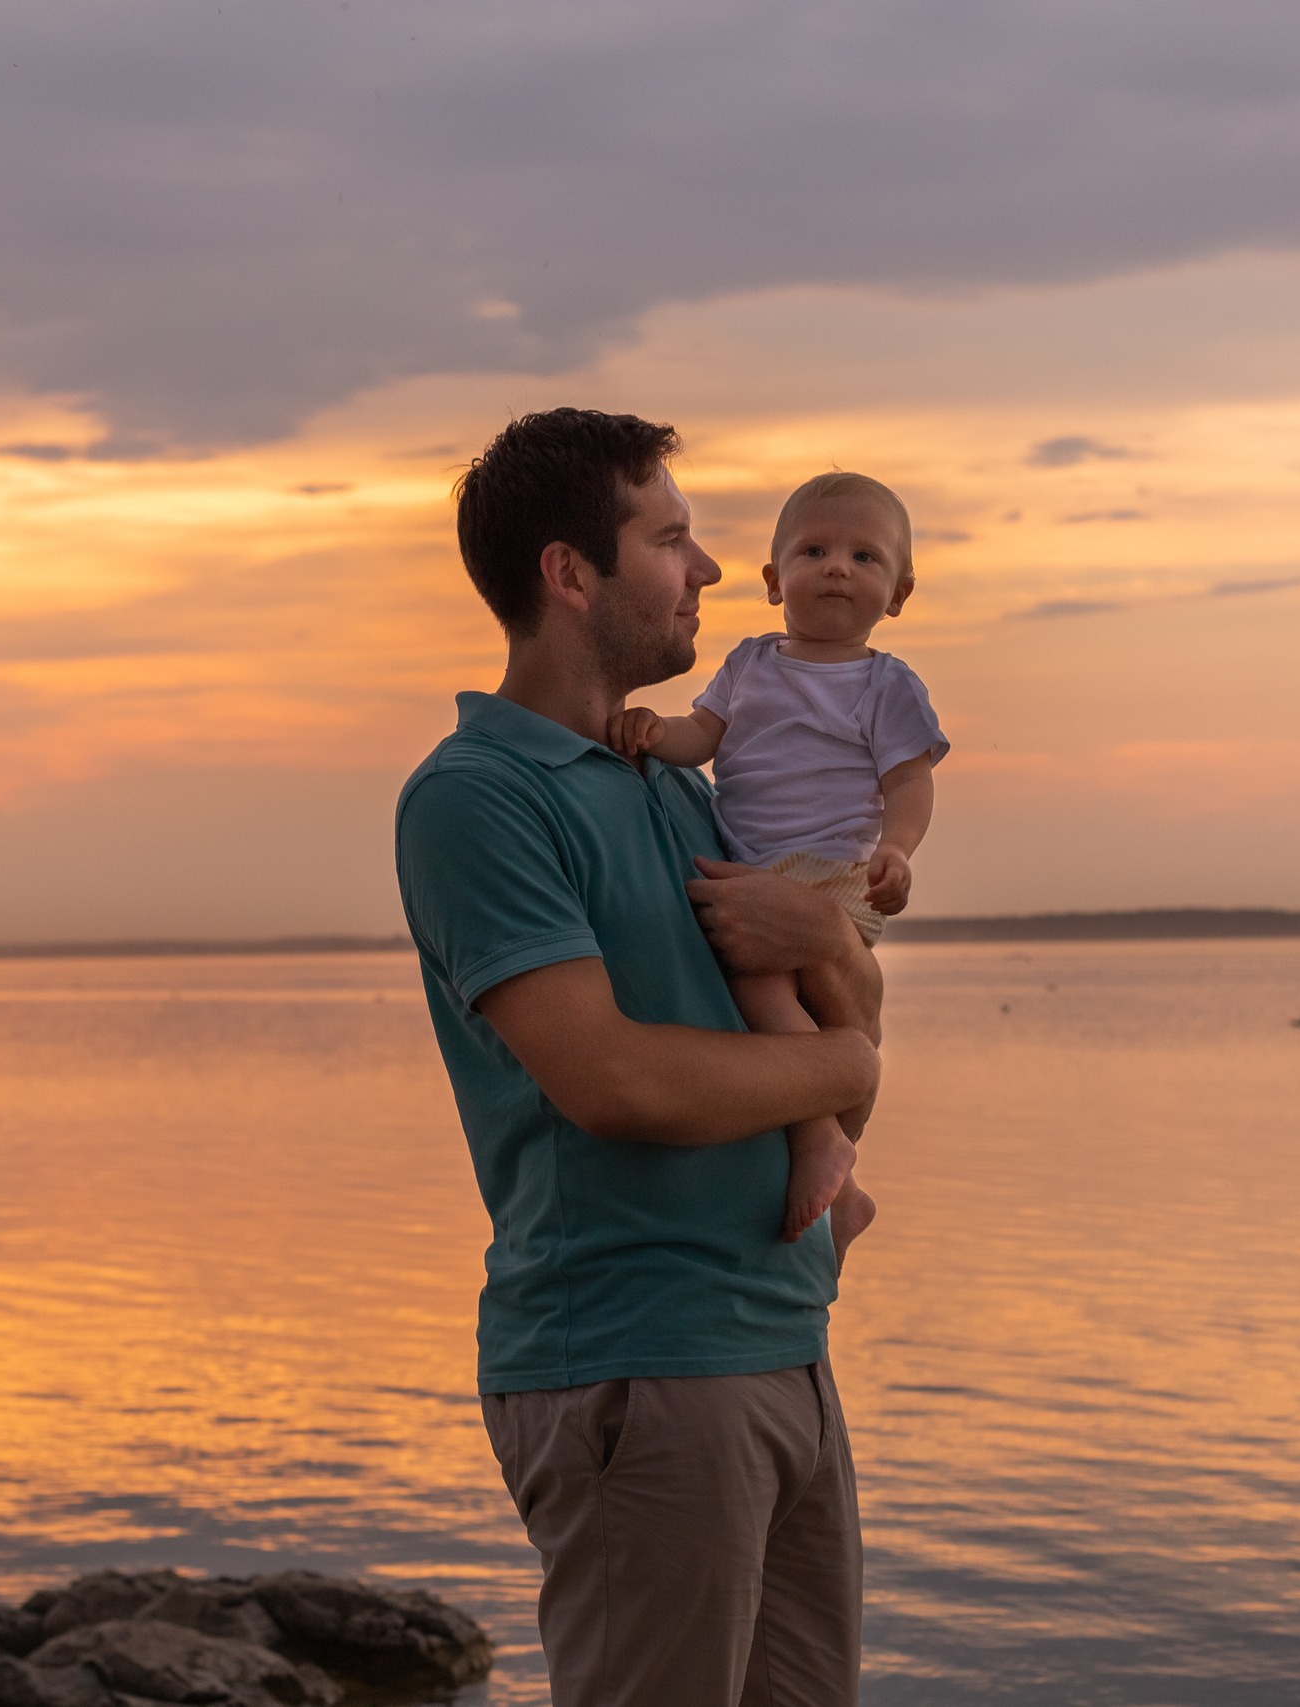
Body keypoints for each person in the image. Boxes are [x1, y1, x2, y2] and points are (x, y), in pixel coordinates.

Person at [395, 408, 880, 1705]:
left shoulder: (676, 785)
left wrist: (831, 943)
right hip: (638, 1362)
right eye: (671, 538)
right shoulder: (480, 794)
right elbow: (620, 1080)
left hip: (786, 1344)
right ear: (570, 572)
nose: (714, 571)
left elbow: (841, 997)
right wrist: (847, 1067)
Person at [606, 472, 946, 1260]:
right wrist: (654, 733)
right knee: (763, 988)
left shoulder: (884, 684)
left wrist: (896, 849)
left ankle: (821, 1137)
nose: (837, 567)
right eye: (815, 550)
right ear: (771, 580)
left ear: (896, 594)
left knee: (756, 979)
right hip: (754, 867)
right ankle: (840, 1173)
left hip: (828, 873)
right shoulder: (752, 664)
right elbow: (703, 736)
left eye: (865, 557)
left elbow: (909, 782)